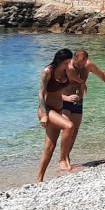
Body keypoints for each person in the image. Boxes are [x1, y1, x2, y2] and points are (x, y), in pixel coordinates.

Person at [58, 49, 105, 172]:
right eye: (78, 63)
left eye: (82, 64)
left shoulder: (88, 65)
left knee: (74, 131)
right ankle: (62, 159)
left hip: (78, 101)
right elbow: (54, 86)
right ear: (73, 59)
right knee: (68, 128)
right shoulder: (67, 67)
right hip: (64, 101)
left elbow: (103, 76)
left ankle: (66, 157)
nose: (80, 66)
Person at [36, 48, 79, 182]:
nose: (68, 65)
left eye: (69, 62)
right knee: (69, 126)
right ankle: (62, 160)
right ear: (59, 61)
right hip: (47, 110)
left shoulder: (66, 71)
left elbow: (58, 92)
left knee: (49, 147)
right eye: (66, 63)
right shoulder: (47, 72)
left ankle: (39, 179)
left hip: (58, 109)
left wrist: (68, 97)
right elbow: (41, 94)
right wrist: (43, 114)